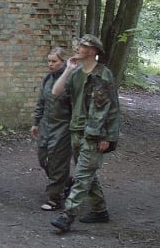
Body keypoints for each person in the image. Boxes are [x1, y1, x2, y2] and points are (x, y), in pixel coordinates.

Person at [50, 34, 121, 233]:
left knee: (81, 175)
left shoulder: (103, 74)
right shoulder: (76, 73)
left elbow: (109, 109)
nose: (78, 48)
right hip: (76, 129)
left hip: (94, 133)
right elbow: (55, 93)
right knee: (88, 172)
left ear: (93, 51)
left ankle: (67, 216)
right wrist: (68, 70)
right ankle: (100, 211)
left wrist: (106, 137)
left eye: (82, 46)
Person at [30, 47, 73, 211]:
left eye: (54, 61)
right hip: (47, 124)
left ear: (63, 62)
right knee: (43, 158)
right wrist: (36, 122)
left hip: (64, 126)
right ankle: (65, 182)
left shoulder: (70, 80)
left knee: (58, 162)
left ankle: (54, 198)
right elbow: (41, 101)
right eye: (48, 61)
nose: (50, 64)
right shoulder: (48, 78)